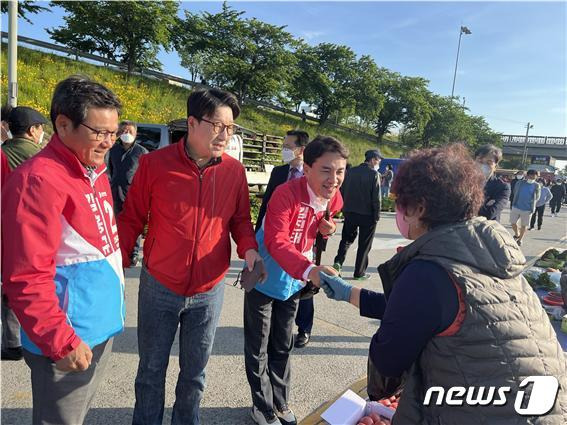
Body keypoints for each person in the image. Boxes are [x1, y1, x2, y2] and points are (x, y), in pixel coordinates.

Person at [318, 144, 567, 424]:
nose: (398, 210)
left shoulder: (428, 271)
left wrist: (404, 284)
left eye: (401, 202)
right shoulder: (490, 254)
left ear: (418, 207)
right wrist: (348, 292)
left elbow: (388, 362)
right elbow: (428, 311)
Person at [117, 88, 261, 425]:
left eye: (231, 128)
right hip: (159, 286)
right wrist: (117, 266)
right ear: (192, 123)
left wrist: (250, 249)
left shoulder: (233, 172)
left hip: (208, 290)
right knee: (151, 370)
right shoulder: (154, 164)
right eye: (217, 125)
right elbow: (132, 218)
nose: (225, 135)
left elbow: (240, 220)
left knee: (195, 374)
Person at [2, 76, 125, 425]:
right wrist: (60, 340)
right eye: (99, 132)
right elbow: (24, 275)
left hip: (98, 327)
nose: (109, 142)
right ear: (62, 124)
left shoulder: (94, 167)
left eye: (114, 132)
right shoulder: (37, 180)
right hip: (67, 336)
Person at [244, 136, 346, 425]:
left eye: (340, 171)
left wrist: (328, 228)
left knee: (283, 344)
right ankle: (261, 406)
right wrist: (310, 270)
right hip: (265, 276)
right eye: (326, 170)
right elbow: (277, 240)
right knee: (258, 346)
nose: (334, 179)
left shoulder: (334, 196)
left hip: (293, 282)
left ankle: (280, 401)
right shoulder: (285, 193)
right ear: (308, 168)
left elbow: (325, 223)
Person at [254, 129, 315, 348]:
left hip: (301, 241)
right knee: (271, 280)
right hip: (274, 238)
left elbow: (323, 213)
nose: (284, 150)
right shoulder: (279, 172)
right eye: (283, 146)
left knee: (301, 285)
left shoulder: (311, 177)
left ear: (302, 150)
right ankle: (272, 324)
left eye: (288, 147)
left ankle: (304, 328)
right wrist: (256, 235)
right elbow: (266, 204)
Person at [1, 105, 49, 362]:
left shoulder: (2, 155)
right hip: (37, 234)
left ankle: (11, 342)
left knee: (8, 288)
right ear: (32, 131)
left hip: (5, 233)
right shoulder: (43, 157)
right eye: (41, 128)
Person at [333, 149, 382, 280]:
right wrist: (377, 216)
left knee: (346, 240)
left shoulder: (350, 172)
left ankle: (338, 262)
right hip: (367, 215)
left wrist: (344, 209)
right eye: (378, 160)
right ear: (372, 160)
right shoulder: (374, 174)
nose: (379, 163)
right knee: (364, 245)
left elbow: (342, 191)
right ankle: (359, 272)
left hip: (350, 212)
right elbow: (376, 198)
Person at [106, 120, 148, 265]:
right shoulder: (113, 150)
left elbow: (145, 175)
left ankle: (134, 252)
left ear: (135, 134)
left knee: (133, 224)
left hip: (132, 194)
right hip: (115, 193)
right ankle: (119, 251)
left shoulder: (141, 152)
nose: (127, 134)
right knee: (116, 224)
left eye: (130, 131)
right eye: (124, 131)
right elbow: (110, 170)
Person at [2, 105, 47, 170]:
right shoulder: (42, 155)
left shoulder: (3, 151)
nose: (42, 131)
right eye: (41, 127)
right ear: (32, 130)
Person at [475, 144, 510, 222]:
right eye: (480, 160)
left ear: (495, 166)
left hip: (485, 231)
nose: (483, 165)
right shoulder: (461, 182)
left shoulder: (502, 187)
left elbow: (489, 214)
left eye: (489, 162)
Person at [510, 169, 540, 246]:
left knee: (524, 225)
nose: (532, 177)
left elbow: (537, 197)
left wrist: (532, 203)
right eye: (531, 175)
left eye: (534, 175)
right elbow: (514, 191)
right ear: (527, 175)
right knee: (513, 223)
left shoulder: (537, 185)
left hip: (527, 209)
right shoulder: (520, 183)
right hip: (516, 206)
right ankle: (517, 234)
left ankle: (520, 239)